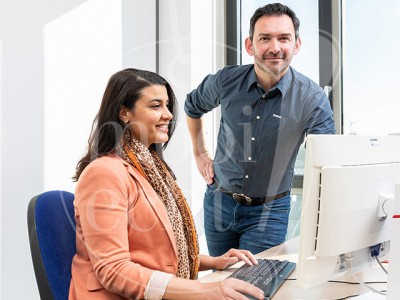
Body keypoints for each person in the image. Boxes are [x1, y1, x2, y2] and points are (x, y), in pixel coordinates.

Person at [69, 68, 265, 300]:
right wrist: (204, 290)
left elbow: (159, 253)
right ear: (124, 113)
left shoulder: (152, 171)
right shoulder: (104, 173)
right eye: (155, 106)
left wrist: (216, 261)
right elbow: (114, 270)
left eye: (167, 105)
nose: (169, 115)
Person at [184, 3, 336, 257]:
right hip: (218, 203)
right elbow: (192, 106)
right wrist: (199, 153)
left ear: (296, 45)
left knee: (253, 290)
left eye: (284, 38)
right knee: (219, 286)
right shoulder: (226, 81)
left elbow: (327, 159)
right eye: (265, 38)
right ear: (250, 45)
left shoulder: (312, 98)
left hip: (269, 212)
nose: (275, 47)